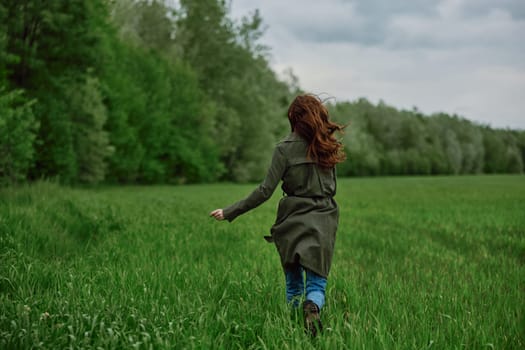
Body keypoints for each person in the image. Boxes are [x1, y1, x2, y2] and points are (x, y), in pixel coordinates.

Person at [210, 94, 346, 336]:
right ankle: (312, 307)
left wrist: (229, 211)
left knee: (294, 284)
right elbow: (331, 188)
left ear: (293, 118)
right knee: (316, 282)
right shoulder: (327, 147)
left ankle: (293, 328)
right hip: (324, 219)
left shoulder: (283, 149)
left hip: (291, 221)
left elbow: (264, 191)